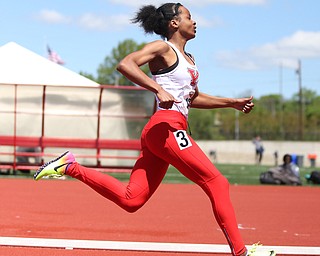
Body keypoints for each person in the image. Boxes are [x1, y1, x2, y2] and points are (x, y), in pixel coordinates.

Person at [34, 3, 275, 256]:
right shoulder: (163, 48)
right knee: (217, 182)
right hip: (165, 127)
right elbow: (126, 64)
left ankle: (69, 166)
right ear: (174, 23)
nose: (195, 22)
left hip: (165, 130)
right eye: (189, 17)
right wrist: (157, 89)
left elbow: (190, 98)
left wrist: (230, 103)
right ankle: (241, 252)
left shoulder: (189, 60)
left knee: (131, 199)